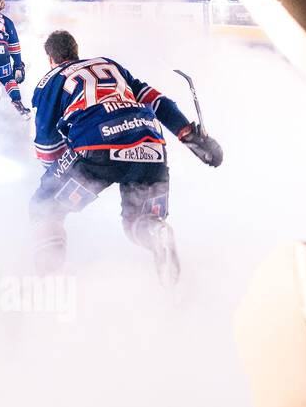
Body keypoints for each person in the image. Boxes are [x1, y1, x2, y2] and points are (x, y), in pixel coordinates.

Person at [28, 29, 223, 284]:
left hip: (96, 147)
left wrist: (54, 176)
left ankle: (49, 280)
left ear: (50, 58)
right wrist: (187, 133)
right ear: (76, 50)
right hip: (150, 143)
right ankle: (157, 233)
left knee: (44, 208)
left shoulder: (49, 80)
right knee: (139, 222)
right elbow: (157, 101)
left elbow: (46, 146)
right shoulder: (108, 64)